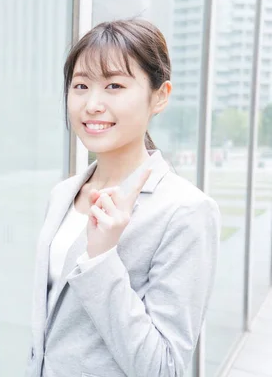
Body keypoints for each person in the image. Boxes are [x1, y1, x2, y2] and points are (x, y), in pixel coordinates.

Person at [26, 19, 220, 377]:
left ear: (159, 96)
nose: (92, 104)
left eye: (114, 85)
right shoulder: (63, 194)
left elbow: (165, 368)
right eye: (81, 85)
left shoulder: (185, 211)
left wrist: (101, 259)